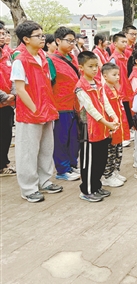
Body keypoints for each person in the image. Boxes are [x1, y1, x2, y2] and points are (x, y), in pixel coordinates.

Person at [11, 21, 63, 202]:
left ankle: (45, 181)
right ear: (26, 39)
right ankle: (28, 188)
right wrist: (34, 109)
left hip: (47, 110)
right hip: (30, 114)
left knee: (46, 149)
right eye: (38, 36)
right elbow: (20, 90)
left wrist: (46, 108)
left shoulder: (43, 56)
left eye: (43, 35)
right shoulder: (20, 61)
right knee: (28, 152)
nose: (43, 38)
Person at [75, 51, 119, 202]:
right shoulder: (80, 87)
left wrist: (114, 116)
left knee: (101, 159)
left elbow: (105, 102)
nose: (95, 69)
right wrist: (107, 123)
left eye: (96, 66)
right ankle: (87, 190)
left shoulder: (99, 83)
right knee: (89, 162)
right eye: (90, 66)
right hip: (89, 130)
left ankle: (96, 186)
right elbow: (90, 109)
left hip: (102, 128)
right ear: (81, 67)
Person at [51, 26, 81, 181]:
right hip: (61, 105)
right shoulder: (51, 60)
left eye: (73, 41)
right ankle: (62, 170)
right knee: (61, 139)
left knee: (74, 138)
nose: (72, 44)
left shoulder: (72, 58)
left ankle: (72, 164)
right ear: (58, 41)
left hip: (74, 104)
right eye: (68, 41)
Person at [101, 63, 130, 187]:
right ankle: (107, 175)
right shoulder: (104, 91)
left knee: (118, 150)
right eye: (114, 75)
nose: (117, 77)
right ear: (105, 76)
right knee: (110, 153)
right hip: (111, 127)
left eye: (118, 74)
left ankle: (115, 171)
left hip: (119, 125)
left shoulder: (115, 89)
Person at [109, 32, 134, 132]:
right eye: (122, 42)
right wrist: (118, 90)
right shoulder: (113, 59)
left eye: (125, 42)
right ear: (115, 43)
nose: (125, 44)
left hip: (126, 90)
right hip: (120, 91)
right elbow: (112, 78)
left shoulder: (124, 57)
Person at [0, 23, 16, 176]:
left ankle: (3, 163)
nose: (2, 36)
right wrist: (4, 96)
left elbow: (12, 76)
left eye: (3, 33)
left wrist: (13, 95)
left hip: (7, 104)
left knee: (5, 134)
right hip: (3, 99)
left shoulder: (6, 53)